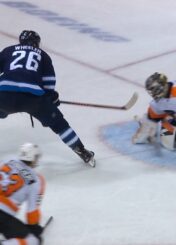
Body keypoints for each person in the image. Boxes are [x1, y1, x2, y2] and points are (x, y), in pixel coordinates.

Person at [0, 30, 95, 167]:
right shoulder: (43, 55)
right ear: (37, 43)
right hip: (33, 99)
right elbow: (49, 82)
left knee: (2, 110)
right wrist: (51, 98)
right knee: (59, 124)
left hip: (4, 95)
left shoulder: (9, 50)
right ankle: (82, 152)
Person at [0, 143, 45, 244]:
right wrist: (34, 228)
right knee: (32, 240)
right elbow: (32, 211)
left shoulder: (7, 160)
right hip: (2, 214)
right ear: (33, 158)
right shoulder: (35, 179)